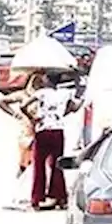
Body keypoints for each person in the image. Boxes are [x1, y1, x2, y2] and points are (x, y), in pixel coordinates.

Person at [21, 73, 80, 210]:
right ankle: (60, 197)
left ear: (47, 80)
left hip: (43, 130)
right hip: (58, 131)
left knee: (39, 165)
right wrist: (63, 113)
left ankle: (37, 198)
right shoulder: (65, 94)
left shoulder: (41, 93)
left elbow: (23, 106)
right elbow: (75, 107)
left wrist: (33, 117)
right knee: (57, 165)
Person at [0, 70, 44, 179]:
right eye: (36, 81)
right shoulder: (23, 94)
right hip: (27, 130)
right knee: (26, 157)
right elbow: (1, 101)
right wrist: (15, 114)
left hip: (42, 128)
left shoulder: (44, 94)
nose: (38, 84)